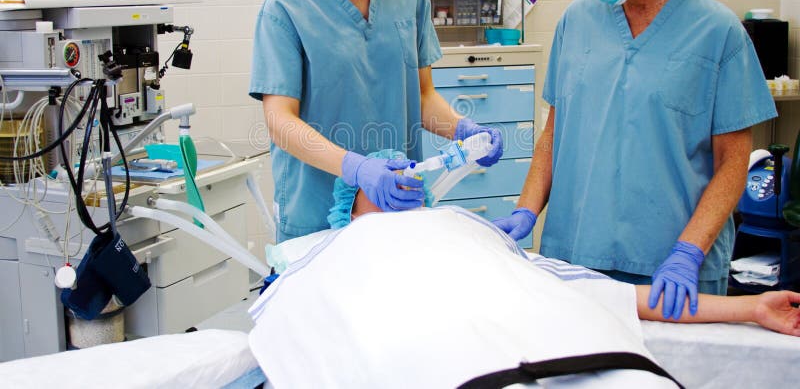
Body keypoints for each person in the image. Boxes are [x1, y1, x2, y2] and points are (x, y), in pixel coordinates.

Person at [492, 0, 777, 321]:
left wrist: (688, 251)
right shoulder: (577, 23)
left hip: (672, 268)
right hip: (576, 255)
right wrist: (526, 211)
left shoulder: (717, 33)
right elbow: (555, 133)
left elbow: (733, 164)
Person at [252, 165, 800, 388]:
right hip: (440, 360)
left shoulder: (468, 231)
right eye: (385, 177)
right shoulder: (328, 253)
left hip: (580, 357)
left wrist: (751, 307)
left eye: (407, 172)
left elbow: (619, 297)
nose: (405, 179)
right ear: (350, 203)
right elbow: (293, 322)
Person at [248, 0, 502, 242]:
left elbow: (422, 95)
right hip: (319, 208)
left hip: (396, 203)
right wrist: (354, 167)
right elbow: (281, 122)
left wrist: (463, 131)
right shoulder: (287, 8)